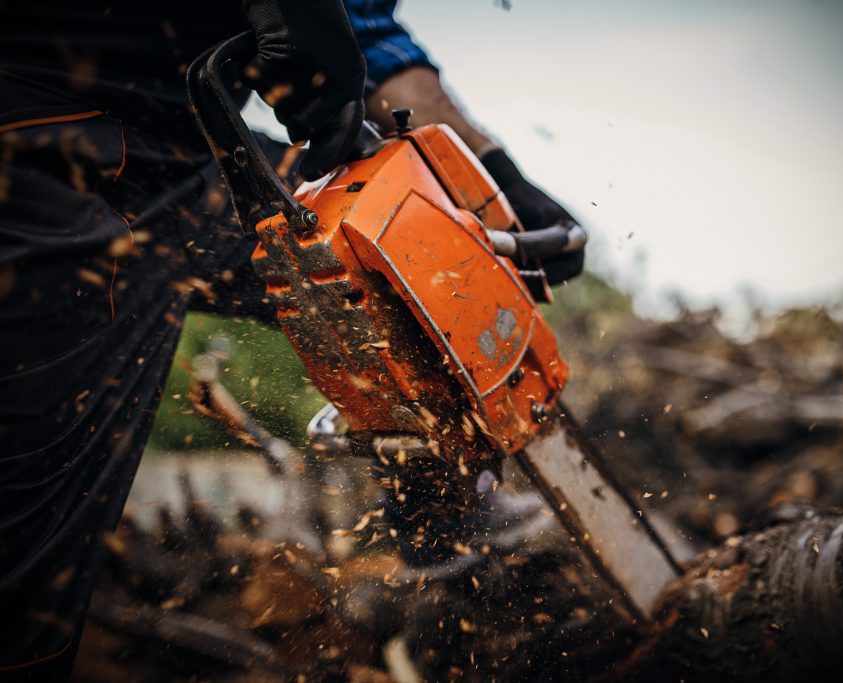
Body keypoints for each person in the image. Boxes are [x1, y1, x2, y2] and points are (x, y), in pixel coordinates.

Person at [0, 1, 584, 678]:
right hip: (42, 148)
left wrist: (497, 174)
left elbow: (366, 26)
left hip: (183, 150)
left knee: (400, 251)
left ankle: (444, 518)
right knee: (31, 553)